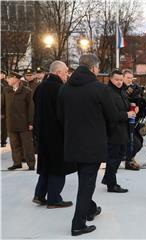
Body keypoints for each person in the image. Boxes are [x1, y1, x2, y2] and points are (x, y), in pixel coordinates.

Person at [57, 54, 121, 236]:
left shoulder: (65, 89)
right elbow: (113, 117)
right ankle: (78, 224)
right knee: (87, 184)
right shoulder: (99, 89)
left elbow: (60, 118)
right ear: (94, 68)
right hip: (92, 145)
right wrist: (104, 133)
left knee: (85, 180)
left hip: (73, 143)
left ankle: (90, 208)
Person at [32, 61, 76, 208]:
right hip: (57, 134)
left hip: (42, 133)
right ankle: (54, 198)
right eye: (65, 72)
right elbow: (64, 114)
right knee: (58, 166)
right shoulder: (61, 89)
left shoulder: (40, 88)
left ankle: (39, 195)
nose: (67, 75)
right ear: (58, 72)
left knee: (45, 165)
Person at [101, 69, 135, 193]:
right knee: (113, 157)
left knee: (120, 155)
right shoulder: (108, 92)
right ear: (110, 79)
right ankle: (111, 184)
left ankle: (108, 178)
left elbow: (124, 105)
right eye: (117, 80)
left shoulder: (121, 91)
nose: (119, 82)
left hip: (122, 129)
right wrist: (127, 114)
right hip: (113, 129)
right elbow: (111, 114)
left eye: (121, 80)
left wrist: (132, 108)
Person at [2, 71, 35, 170]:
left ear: (16, 79)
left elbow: (31, 108)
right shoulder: (6, 90)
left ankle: (31, 163)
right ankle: (17, 163)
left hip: (24, 123)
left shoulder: (27, 91)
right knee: (14, 145)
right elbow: (2, 104)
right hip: (11, 122)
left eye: (9, 78)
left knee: (27, 145)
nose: (7, 80)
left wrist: (31, 122)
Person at [1, 70, 8, 147]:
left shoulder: (6, 83)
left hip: (4, 107)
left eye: (1, 74)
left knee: (3, 126)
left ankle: (3, 141)